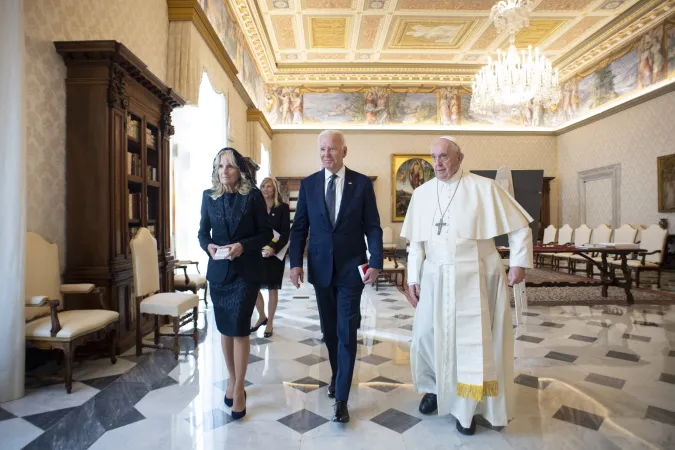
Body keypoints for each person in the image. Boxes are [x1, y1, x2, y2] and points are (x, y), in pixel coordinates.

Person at [401, 136, 533, 435]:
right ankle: (435, 388)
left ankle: (467, 408)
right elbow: (416, 244)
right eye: (433, 157)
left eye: (444, 156)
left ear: (460, 158)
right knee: (425, 336)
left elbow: (520, 228)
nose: (438, 163)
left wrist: (519, 263)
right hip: (435, 278)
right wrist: (412, 277)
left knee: (470, 343)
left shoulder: (483, 188)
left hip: (476, 275)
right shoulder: (421, 194)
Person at [289, 130, 383, 423]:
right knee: (330, 332)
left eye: (332, 149)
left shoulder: (362, 184)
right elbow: (299, 228)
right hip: (320, 269)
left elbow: (373, 227)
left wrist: (376, 261)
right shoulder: (309, 185)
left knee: (346, 331)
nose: (326, 154)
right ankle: (337, 374)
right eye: (322, 149)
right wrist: (295, 263)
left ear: (345, 151)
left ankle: (341, 398)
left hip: (351, 270)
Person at [198, 148, 272, 421]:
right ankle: (231, 379)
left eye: (229, 166)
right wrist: (209, 246)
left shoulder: (251, 196)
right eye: (220, 166)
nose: (224, 171)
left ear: (239, 170)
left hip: (245, 273)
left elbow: (265, 233)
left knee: (240, 329)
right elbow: (202, 233)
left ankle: (239, 388)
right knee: (225, 331)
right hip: (219, 274)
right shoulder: (209, 197)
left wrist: (243, 245)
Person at [251, 176, 290, 337]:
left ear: (274, 189)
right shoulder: (255, 208)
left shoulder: (282, 208)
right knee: (253, 287)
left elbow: (286, 233)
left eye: (269, 186)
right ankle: (262, 316)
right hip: (256, 253)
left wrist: (273, 249)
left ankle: (270, 322)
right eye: (263, 186)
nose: (266, 189)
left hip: (275, 255)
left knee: (272, 288)